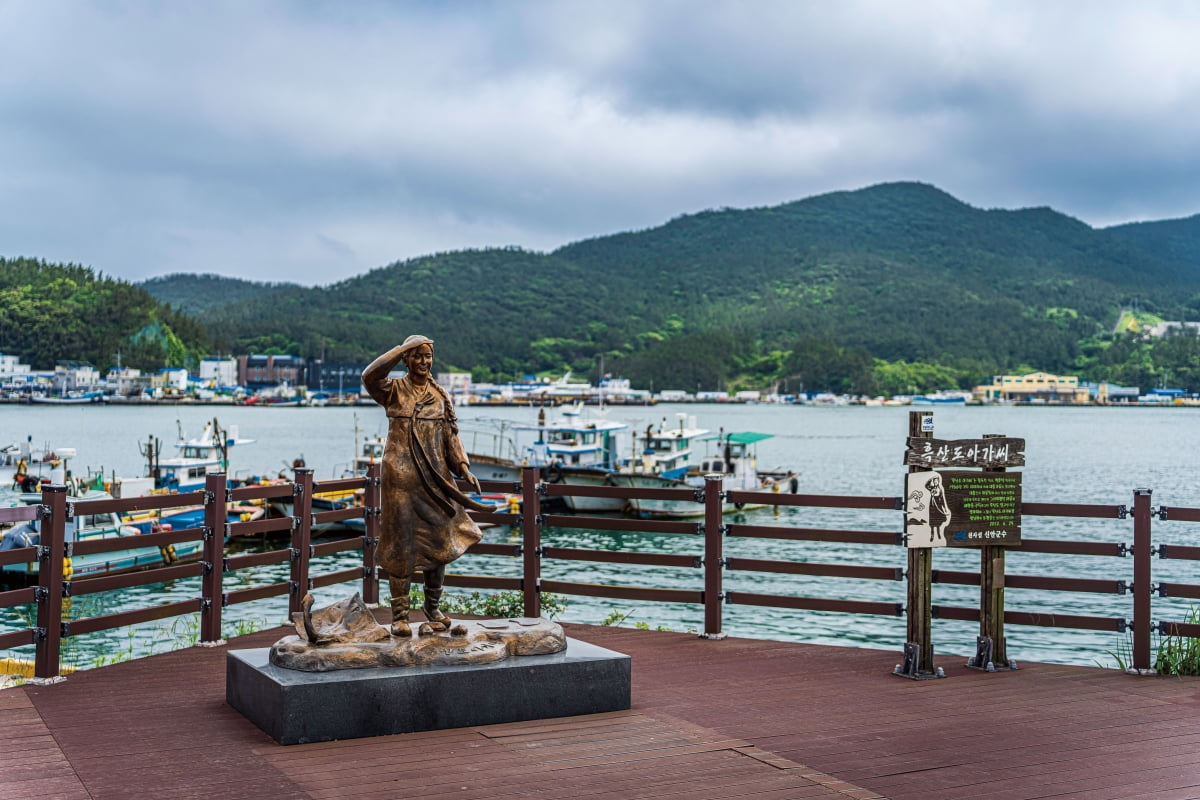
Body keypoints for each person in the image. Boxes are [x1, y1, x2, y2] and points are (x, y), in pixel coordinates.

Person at [362, 335, 488, 636]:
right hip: (400, 480)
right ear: (406, 359)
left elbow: (451, 437)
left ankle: (432, 610)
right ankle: (400, 615)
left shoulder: (441, 395)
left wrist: (463, 467)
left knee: (440, 541)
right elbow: (370, 375)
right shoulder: (393, 391)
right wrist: (401, 347)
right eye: (416, 356)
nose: (423, 361)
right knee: (400, 542)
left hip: (435, 479)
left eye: (428, 356)